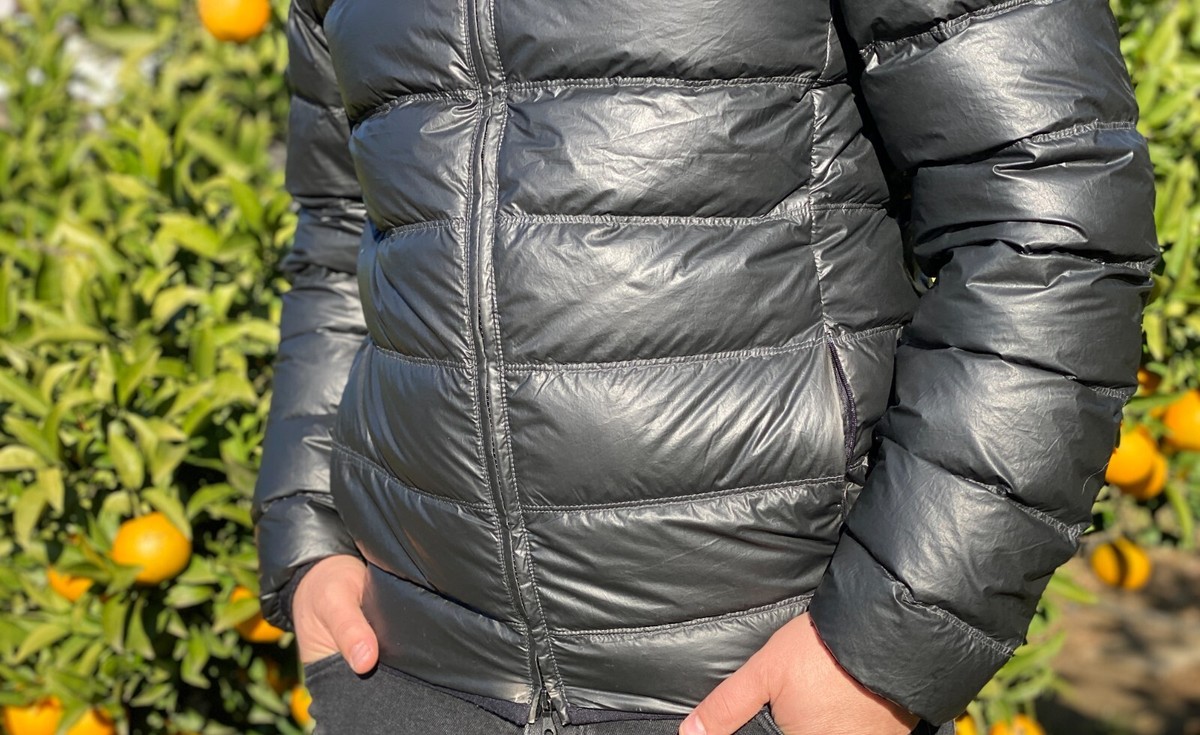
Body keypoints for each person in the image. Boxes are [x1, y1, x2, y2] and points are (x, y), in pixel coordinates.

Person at [250, 0, 1160, 732]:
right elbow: (338, 233)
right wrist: (307, 540)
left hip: (752, 685)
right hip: (404, 668)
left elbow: (1049, 218)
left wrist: (882, 648)